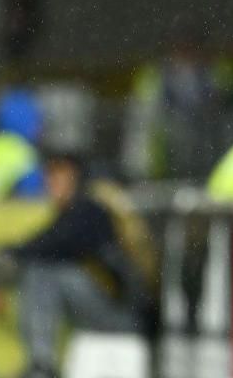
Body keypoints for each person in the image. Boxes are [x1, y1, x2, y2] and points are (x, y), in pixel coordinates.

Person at [9, 152, 158, 378]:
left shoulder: (90, 208)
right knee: (43, 269)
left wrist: (10, 251)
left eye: (59, 175)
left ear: (75, 177)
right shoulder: (79, 208)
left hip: (124, 315)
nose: (52, 183)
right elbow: (45, 240)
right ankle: (41, 363)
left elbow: (54, 244)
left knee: (43, 272)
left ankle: (41, 364)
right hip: (116, 312)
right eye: (50, 176)